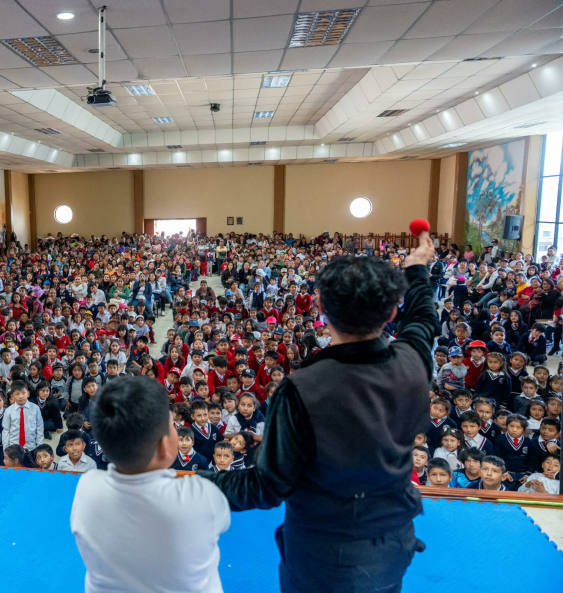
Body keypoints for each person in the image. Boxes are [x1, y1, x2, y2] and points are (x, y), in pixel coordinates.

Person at [199, 231, 436, 593]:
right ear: (391, 312)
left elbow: (266, 486)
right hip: (394, 539)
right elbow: (423, 319)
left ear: (320, 306)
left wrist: (190, 484)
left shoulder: (301, 389)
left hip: (324, 555)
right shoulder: (414, 362)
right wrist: (418, 268)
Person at [71, 377, 230, 593]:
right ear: (166, 445)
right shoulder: (201, 496)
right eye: (172, 426)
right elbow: (223, 522)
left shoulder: (86, 488)